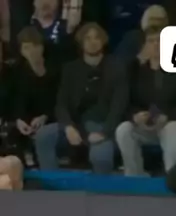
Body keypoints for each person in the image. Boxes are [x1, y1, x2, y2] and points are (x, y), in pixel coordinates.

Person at [35, 22, 128, 174]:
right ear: (81, 42)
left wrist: (104, 132)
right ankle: (51, 181)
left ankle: (100, 187)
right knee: (43, 135)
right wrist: (68, 126)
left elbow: (119, 107)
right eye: (88, 38)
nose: (92, 42)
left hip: (103, 125)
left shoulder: (116, 68)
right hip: (76, 124)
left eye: (96, 38)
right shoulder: (70, 69)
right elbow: (61, 103)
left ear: (103, 41)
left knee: (101, 157)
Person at [116, 26, 176, 176]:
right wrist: (135, 116)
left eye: (160, 40)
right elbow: (125, 103)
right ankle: (135, 177)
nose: (156, 44)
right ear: (145, 46)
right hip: (145, 127)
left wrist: (168, 116)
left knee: (175, 128)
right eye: (151, 41)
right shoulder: (136, 72)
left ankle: (174, 179)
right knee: (124, 129)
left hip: (171, 124)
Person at [14, 26, 59, 162]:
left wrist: (45, 116)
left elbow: (61, 100)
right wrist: (20, 120)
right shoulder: (17, 72)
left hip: (53, 118)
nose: (31, 51)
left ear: (42, 47)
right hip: (27, 123)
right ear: (21, 51)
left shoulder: (56, 69)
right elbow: (16, 101)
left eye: (35, 46)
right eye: (26, 48)